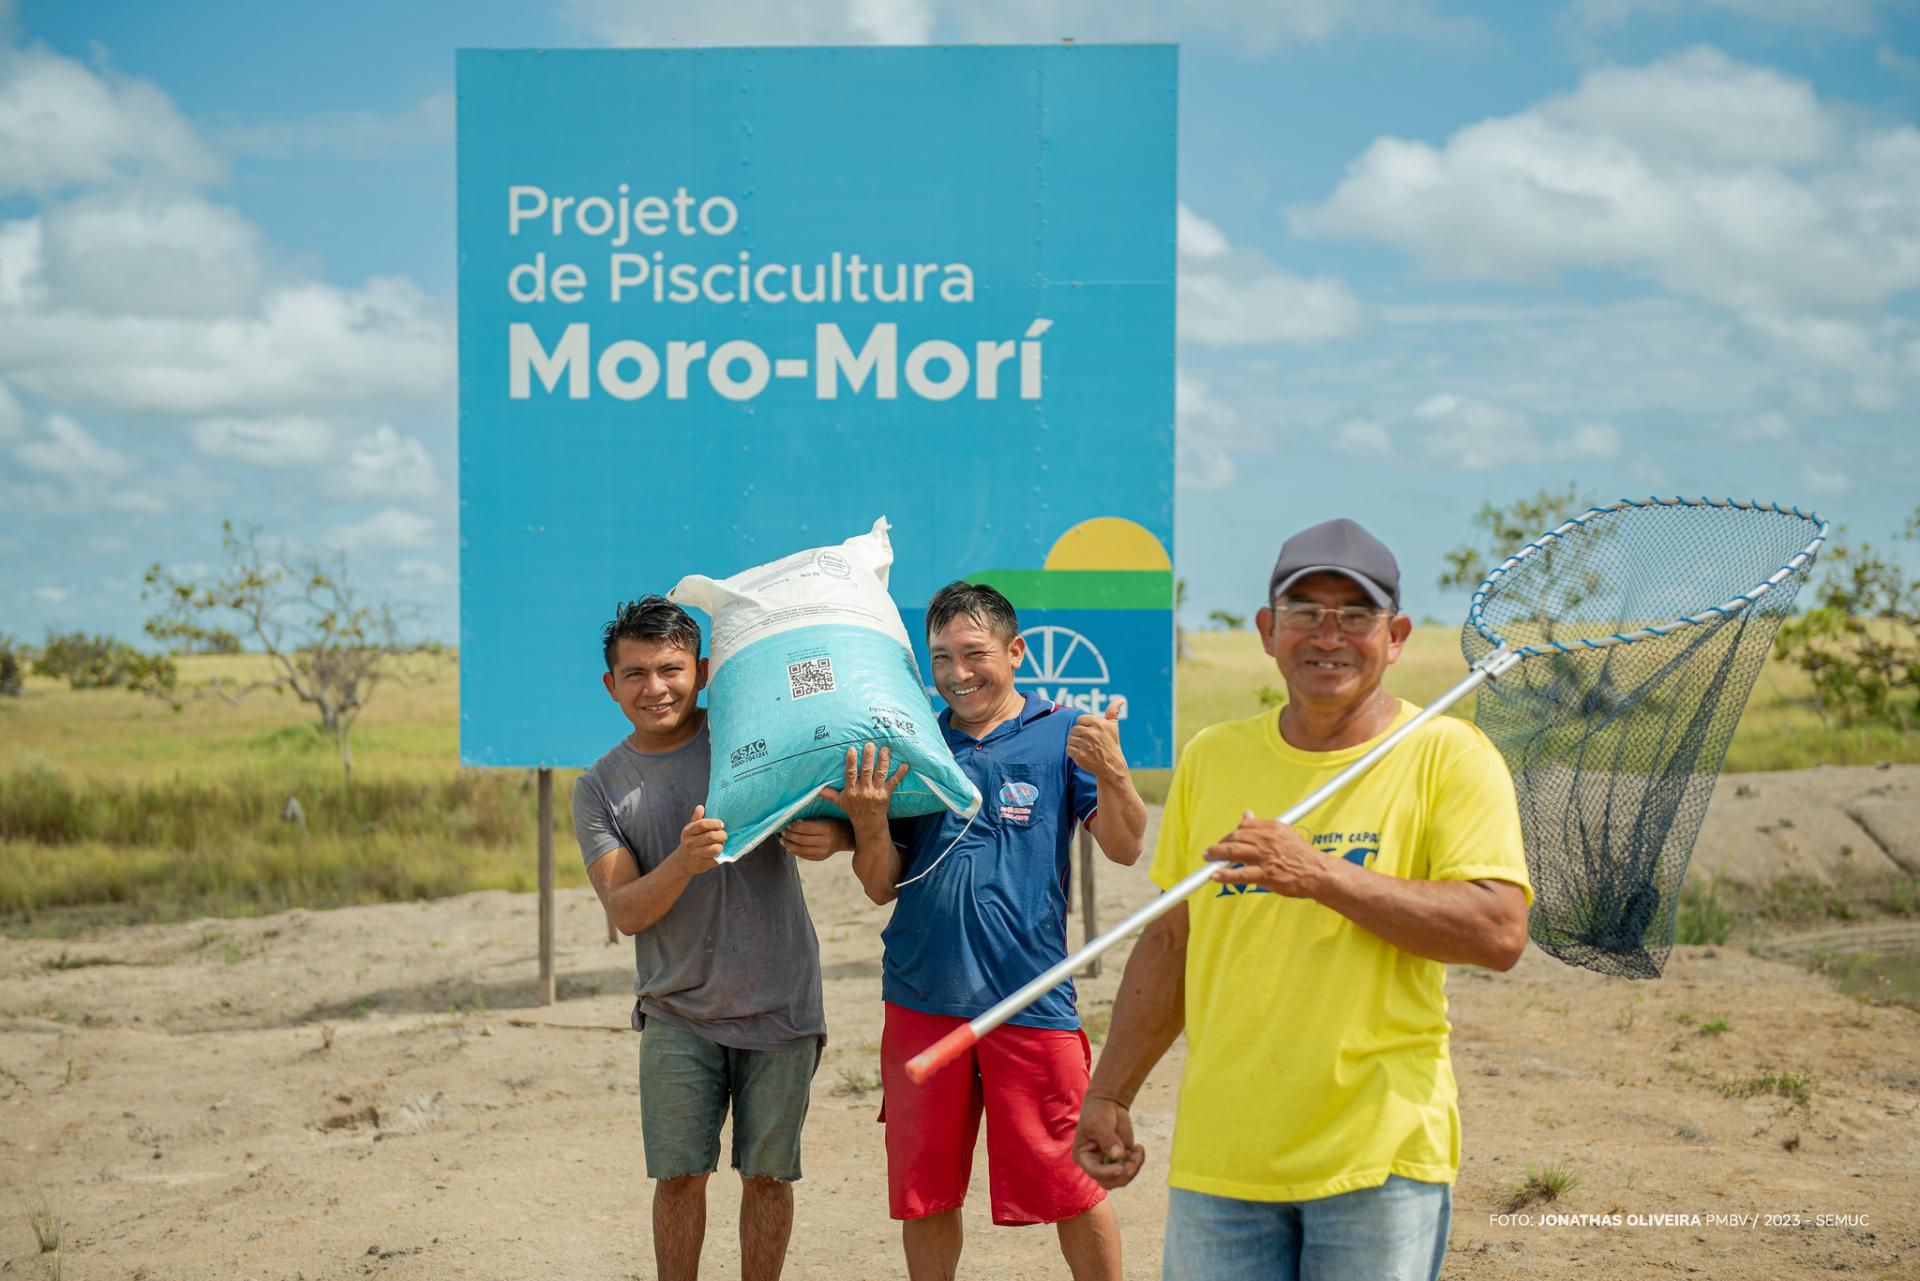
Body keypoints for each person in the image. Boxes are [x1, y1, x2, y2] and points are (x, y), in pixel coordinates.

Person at [1071, 518, 1533, 1281]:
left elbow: (1499, 929)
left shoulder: (1449, 756)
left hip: (1376, 1161)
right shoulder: (1214, 756)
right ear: (1265, 630)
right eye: (1305, 613)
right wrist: (1112, 1090)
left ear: (1397, 635)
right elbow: (1173, 943)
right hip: (1222, 1163)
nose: (1329, 635)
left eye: (1356, 615)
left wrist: (1322, 875)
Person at [829, 580, 1149, 1281]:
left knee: (1074, 1181)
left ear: (1016, 650)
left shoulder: (1065, 732)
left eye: (973, 653)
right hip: (920, 998)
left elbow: (1124, 847)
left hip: (1029, 1000)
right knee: (926, 1195)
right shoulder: (914, 739)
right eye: (941, 656)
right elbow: (881, 883)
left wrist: (1115, 773)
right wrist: (870, 820)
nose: (956, 672)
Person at [573, 596, 841, 1281]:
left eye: (670, 668)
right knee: (680, 1179)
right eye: (634, 673)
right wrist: (685, 861)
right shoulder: (600, 789)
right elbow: (626, 909)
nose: (654, 687)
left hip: (781, 1005)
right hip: (676, 1011)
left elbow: (834, 807)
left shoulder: (751, 737)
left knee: (769, 1179)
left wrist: (835, 833)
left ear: (703, 668)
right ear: (610, 684)